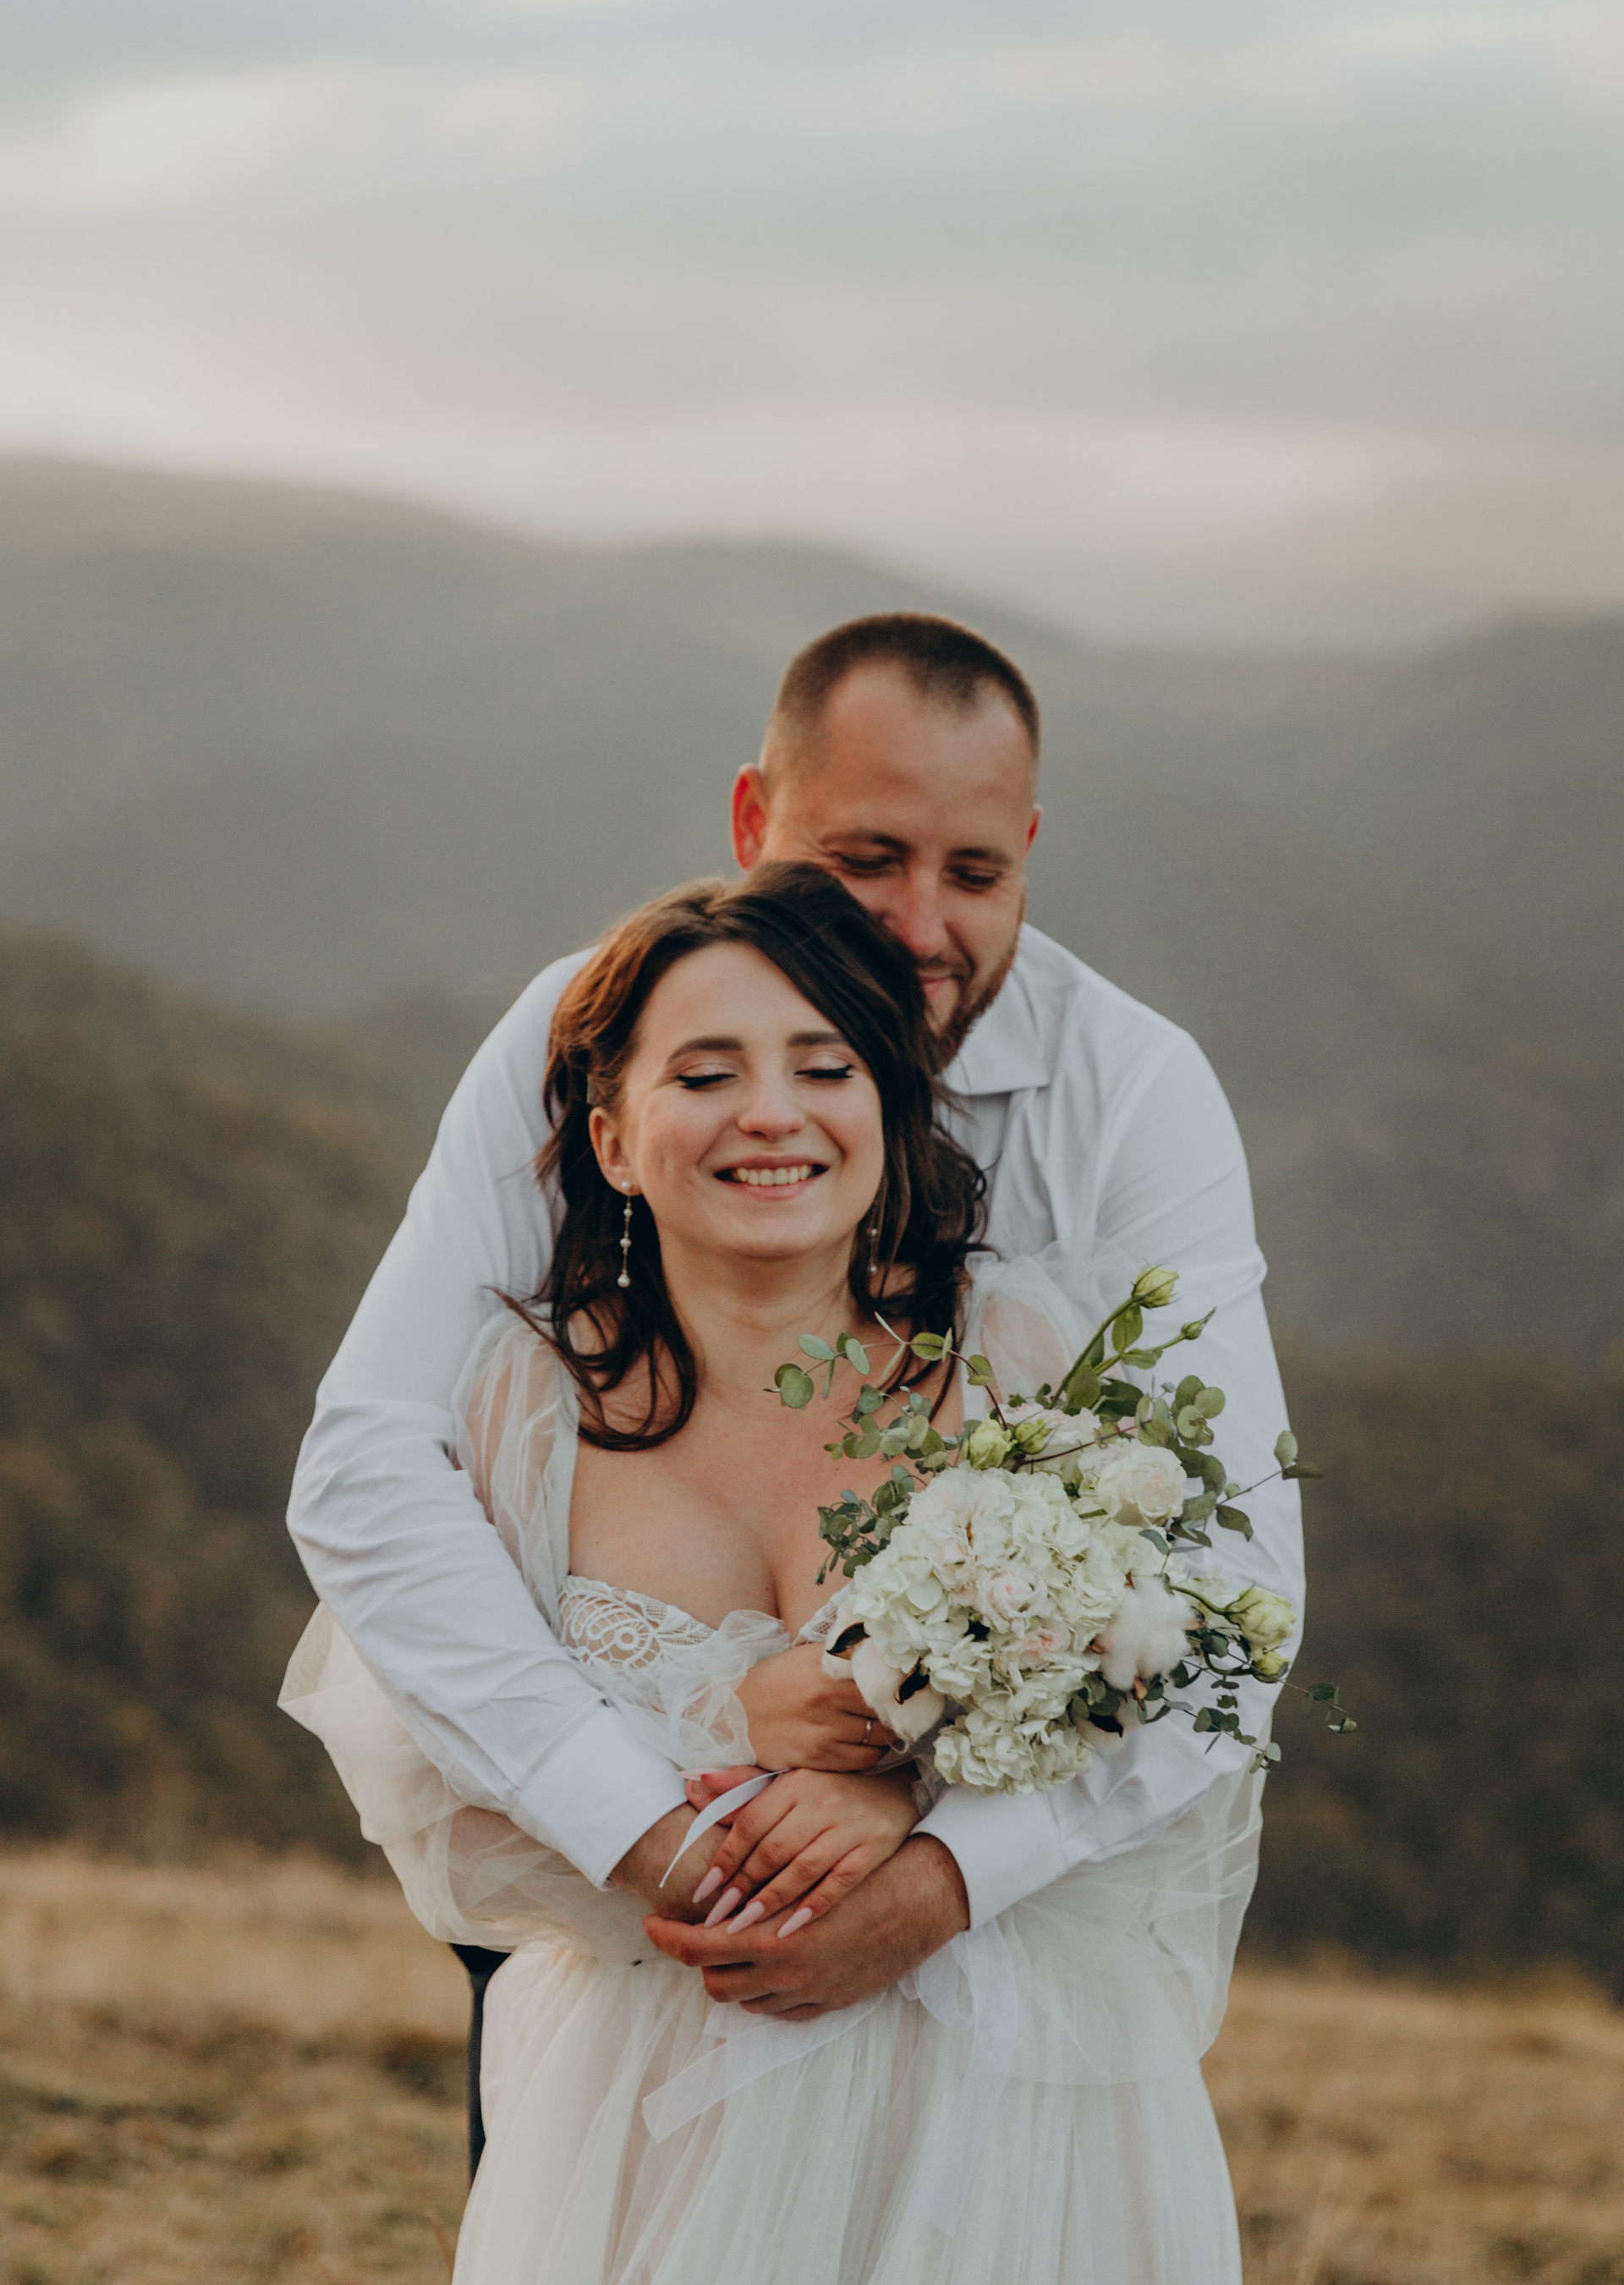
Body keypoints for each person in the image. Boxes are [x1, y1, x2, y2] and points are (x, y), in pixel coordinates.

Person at [284, 616, 1301, 2167]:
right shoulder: (596, 1030)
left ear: (1029, 856)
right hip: (619, 1905)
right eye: (865, 859)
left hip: (1001, 1961)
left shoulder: (1135, 1093)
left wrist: (948, 1869)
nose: (917, 927)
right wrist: (649, 1831)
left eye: (974, 873)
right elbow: (371, 1460)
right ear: (754, 819)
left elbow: (1234, 1591)